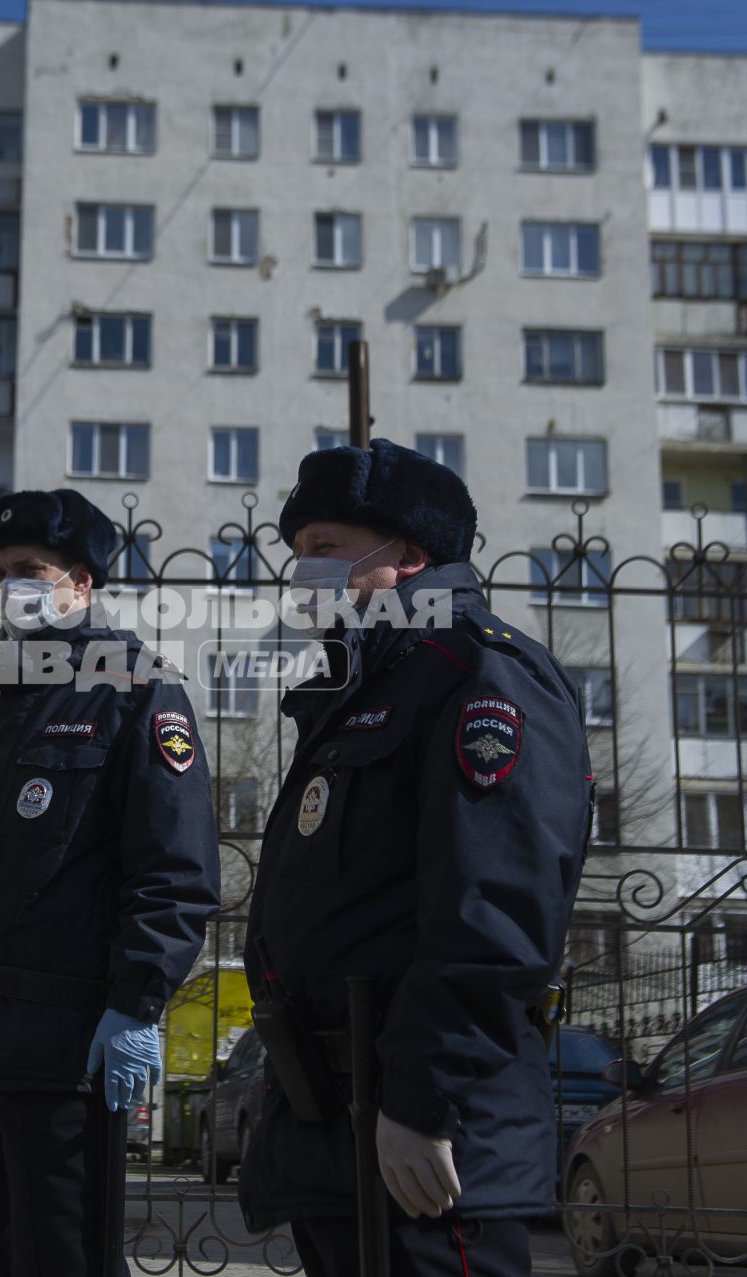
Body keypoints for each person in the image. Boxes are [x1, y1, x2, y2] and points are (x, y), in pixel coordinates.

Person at [237, 440, 592, 1277]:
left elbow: (495, 911)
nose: (303, 572)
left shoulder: (477, 671)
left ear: (407, 555)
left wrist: (421, 1100)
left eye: (324, 549)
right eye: (297, 554)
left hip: (428, 1138)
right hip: (338, 1124)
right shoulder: (365, 683)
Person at [0, 490, 222, 1276]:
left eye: (29, 569)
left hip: (70, 1053)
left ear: (82, 583)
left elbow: (174, 872)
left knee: (62, 1258)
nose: (9, 587)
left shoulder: (137, 693)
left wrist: (136, 1003)